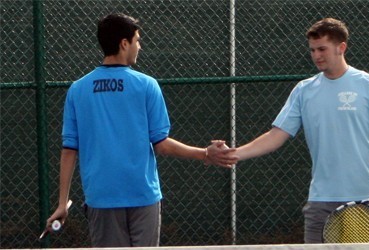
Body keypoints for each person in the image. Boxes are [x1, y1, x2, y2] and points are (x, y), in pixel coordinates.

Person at [46, 13, 238, 247]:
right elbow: (162, 144)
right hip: (142, 196)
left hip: (102, 198)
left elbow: (69, 150)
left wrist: (61, 203)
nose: (140, 46)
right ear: (124, 44)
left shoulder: (77, 90)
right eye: (137, 40)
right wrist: (206, 154)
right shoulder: (147, 85)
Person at [232, 18, 369, 243]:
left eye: (322, 49)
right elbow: (276, 135)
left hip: (362, 197)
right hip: (320, 200)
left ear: (341, 48)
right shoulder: (304, 90)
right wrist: (235, 154)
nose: (316, 55)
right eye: (312, 50)